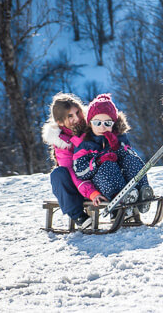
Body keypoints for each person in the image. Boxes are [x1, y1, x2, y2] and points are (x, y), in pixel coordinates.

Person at [72, 94, 152, 214]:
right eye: (97, 123)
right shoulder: (84, 144)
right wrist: (97, 161)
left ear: (113, 124)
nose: (102, 127)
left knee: (132, 159)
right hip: (100, 182)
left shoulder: (120, 138)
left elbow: (129, 155)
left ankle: (141, 192)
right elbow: (80, 171)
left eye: (107, 123)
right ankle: (119, 198)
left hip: (124, 180)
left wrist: (117, 147)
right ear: (90, 123)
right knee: (108, 166)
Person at [42, 93, 97, 226]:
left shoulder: (92, 125)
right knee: (58, 174)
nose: (77, 118)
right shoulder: (61, 143)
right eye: (70, 116)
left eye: (78, 112)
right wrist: (90, 192)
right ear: (60, 122)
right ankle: (78, 216)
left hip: (98, 176)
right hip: (77, 184)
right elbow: (71, 171)